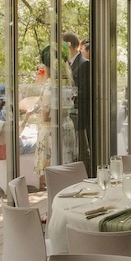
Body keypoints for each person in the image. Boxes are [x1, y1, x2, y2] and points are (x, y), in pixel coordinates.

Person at [32, 44, 76, 188]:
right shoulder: (67, 81)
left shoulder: (51, 84)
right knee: (65, 167)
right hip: (67, 124)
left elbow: (45, 108)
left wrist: (42, 118)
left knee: (52, 172)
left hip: (52, 128)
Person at [62, 30, 91, 174]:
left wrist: (69, 96)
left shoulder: (84, 64)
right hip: (71, 115)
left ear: (68, 45)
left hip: (80, 116)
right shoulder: (66, 64)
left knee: (82, 150)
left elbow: (85, 92)